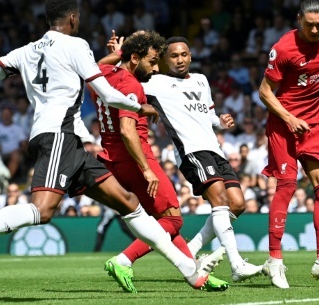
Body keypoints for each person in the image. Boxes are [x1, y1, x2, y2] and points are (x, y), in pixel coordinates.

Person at [0, 0, 221, 290]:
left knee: (128, 203)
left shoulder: (23, 52)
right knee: (42, 211)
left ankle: (190, 272)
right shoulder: (76, 45)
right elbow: (108, 94)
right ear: (73, 18)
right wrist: (140, 106)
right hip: (58, 136)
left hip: (69, 141)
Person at [97, 32, 252, 291]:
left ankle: (195, 272)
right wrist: (147, 168)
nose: (156, 68)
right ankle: (124, 259)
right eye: (154, 61)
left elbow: (95, 69)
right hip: (136, 156)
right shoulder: (137, 84)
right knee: (173, 220)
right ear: (137, 59)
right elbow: (127, 129)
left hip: (111, 157)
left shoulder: (106, 79)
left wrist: (119, 55)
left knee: (166, 218)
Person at [258, 0, 319, 289]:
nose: (315, 31)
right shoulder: (283, 48)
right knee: (288, 185)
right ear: (299, 20)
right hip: (283, 125)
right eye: (310, 25)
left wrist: (304, 118)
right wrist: (290, 118)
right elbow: (264, 92)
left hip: (314, 124)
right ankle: (275, 260)